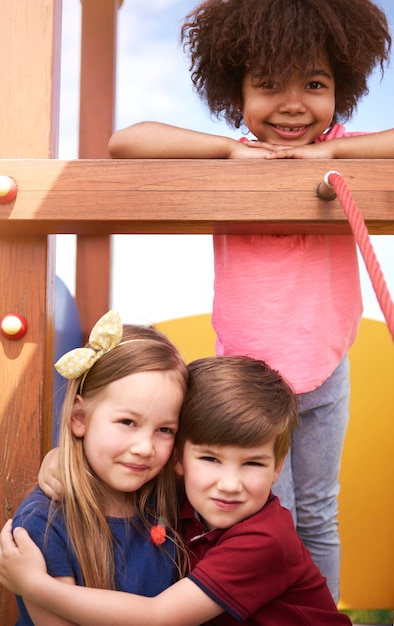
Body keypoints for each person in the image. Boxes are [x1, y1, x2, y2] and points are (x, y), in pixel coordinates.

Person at [105, 0, 393, 602]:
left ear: (342, 86)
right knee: (264, 519)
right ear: (235, 94)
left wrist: (333, 154)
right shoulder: (237, 155)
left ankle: (316, 614)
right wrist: (227, 151)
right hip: (247, 381)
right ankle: (258, 615)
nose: (293, 104)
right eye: (268, 86)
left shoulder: (345, 150)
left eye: (315, 84)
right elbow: (125, 142)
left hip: (325, 370)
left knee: (316, 513)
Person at [0, 355, 353, 625]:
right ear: (180, 458)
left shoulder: (265, 538)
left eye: (252, 464)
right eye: (210, 459)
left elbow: (158, 617)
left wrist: (36, 586)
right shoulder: (178, 490)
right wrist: (62, 459)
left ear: (278, 466)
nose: (229, 485)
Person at [4, 308, 188, 625]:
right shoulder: (43, 523)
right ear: (79, 418)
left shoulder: (166, 498)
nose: (145, 448)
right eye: (128, 422)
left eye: (164, 430)